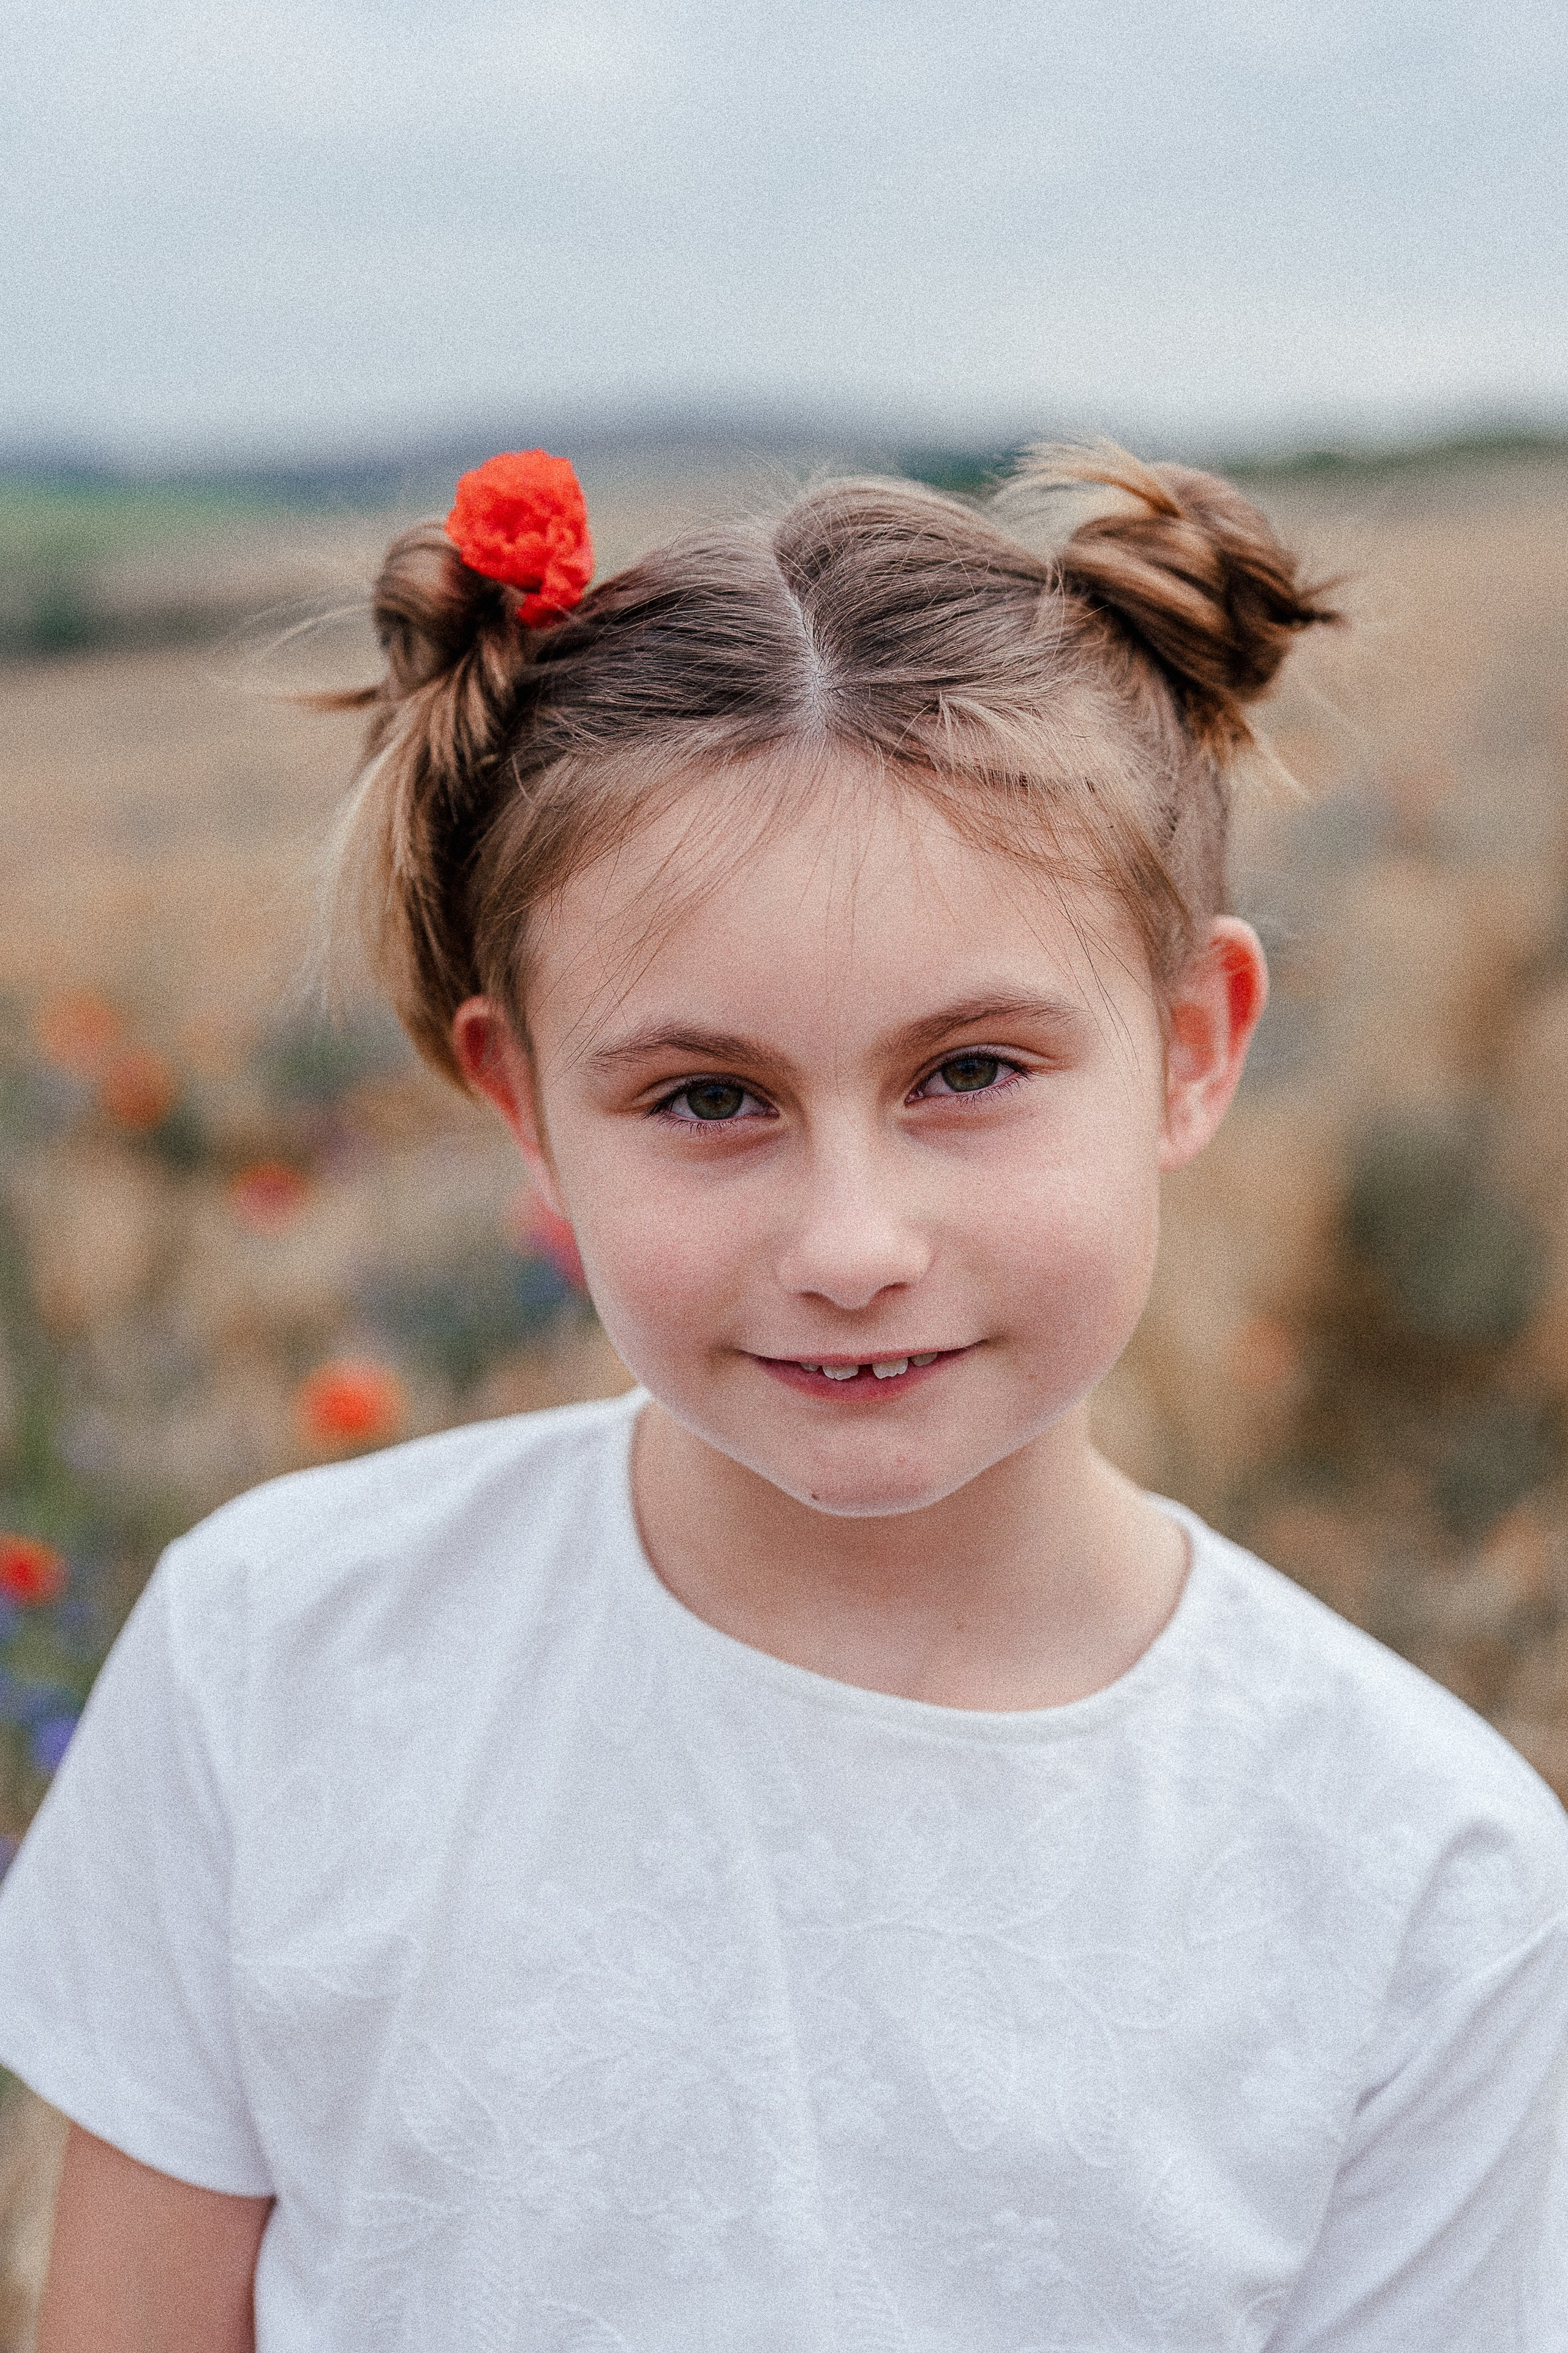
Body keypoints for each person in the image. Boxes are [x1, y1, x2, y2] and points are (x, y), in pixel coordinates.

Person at [2, 442, 1565, 2353]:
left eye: (968, 1071)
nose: (851, 1241)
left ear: (1189, 1050)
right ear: (523, 1104)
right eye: (709, 1098)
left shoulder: (1420, 1881)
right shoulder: (279, 1663)